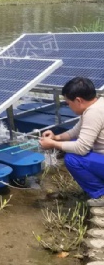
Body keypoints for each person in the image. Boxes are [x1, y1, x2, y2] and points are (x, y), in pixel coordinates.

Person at [39, 77, 104, 207]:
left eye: (68, 103)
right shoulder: (98, 104)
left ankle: (100, 194)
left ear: (78, 100)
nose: (69, 106)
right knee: (73, 143)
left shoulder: (94, 113)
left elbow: (81, 148)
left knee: (72, 158)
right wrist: (55, 137)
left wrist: (52, 144)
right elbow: (75, 132)